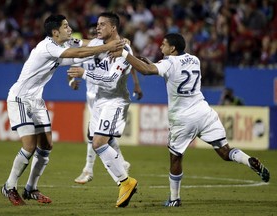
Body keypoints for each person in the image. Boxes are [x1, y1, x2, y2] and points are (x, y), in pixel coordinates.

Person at [112, 33, 270, 207]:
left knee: (176, 158)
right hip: (204, 112)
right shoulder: (195, 59)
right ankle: (249, 161)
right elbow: (168, 69)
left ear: (172, 48)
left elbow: (147, 71)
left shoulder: (168, 63)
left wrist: (125, 54)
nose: (160, 47)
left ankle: (174, 199)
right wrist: (151, 63)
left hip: (182, 118)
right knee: (225, 151)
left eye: (163, 44)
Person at [1, 14, 125, 206]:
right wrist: (108, 47)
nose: (70, 29)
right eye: (66, 26)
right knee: (29, 146)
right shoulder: (47, 46)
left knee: (46, 147)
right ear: (55, 32)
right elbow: (77, 54)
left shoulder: (62, 45)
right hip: (19, 98)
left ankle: (31, 188)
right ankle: (9, 186)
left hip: (36, 100)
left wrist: (118, 42)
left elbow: (85, 48)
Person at [67, 12, 138, 208]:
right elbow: (81, 43)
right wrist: (64, 37)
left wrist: (84, 73)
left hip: (115, 101)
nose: (98, 28)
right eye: (97, 24)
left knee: (98, 142)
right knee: (96, 139)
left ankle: (125, 181)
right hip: (99, 102)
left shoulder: (123, 49)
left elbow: (111, 81)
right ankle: (122, 171)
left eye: (102, 24)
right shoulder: (100, 44)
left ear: (113, 28)